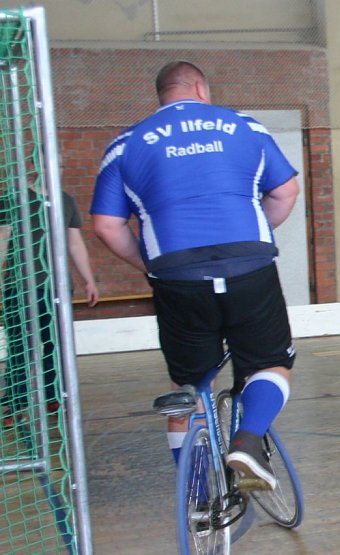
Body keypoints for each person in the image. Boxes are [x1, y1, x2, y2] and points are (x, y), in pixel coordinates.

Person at [91, 61, 300, 490]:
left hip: (177, 275)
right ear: (201, 88)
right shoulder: (246, 127)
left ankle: (200, 497)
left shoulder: (124, 145)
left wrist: (149, 264)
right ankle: (247, 439)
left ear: (162, 94)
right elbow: (285, 191)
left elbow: (105, 226)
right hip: (248, 265)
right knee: (270, 364)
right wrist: (253, 235)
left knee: (186, 383)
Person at [1, 190, 99, 427]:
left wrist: (89, 279)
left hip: (56, 287)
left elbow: (74, 242)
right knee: (20, 347)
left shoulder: (65, 200)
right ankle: (15, 403)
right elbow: (3, 239)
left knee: (55, 344)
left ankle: (53, 397)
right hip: (21, 287)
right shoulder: (12, 198)